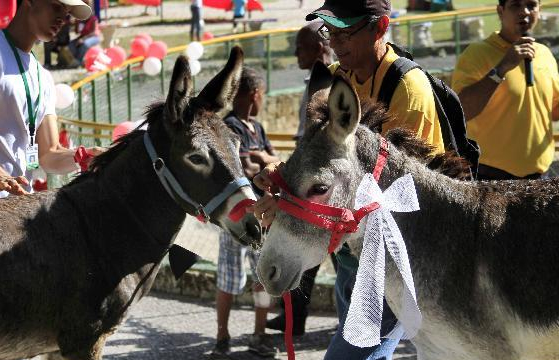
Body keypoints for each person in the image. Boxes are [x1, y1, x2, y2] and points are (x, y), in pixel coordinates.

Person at [252, 0, 447, 358]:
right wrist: (282, 184)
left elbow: (397, 193)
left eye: (347, 32)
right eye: (331, 31)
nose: (336, 43)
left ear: (380, 27)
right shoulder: (341, 76)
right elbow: (324, 158)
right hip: (350, 251)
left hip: (391, 259)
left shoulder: (408, 89)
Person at [265, 21, 336, 337]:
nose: (295, 53)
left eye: (301, 47)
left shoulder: (329, 82)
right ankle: (295, 318)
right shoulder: (317, 80)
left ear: (320, 48)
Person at [210, 67, 280, 360]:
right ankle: (222, 336)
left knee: (262, 276)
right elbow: (245, 170)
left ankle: (259, 334)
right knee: (229, 277)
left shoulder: (257, 128)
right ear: (255, 94)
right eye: (262, 95)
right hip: (236, 218)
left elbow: (273, 163)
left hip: (262, 218)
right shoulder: (229, 127)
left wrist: (264, 160)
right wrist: (264, 162)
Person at [0, 0, 102, 199]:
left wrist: (86, 156)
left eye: (67, 13)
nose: (62, 19)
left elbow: (48, 155)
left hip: (14, 214)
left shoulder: (43, 77)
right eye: (57, 7)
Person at [452, 0, 559, 181]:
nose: (524, 11)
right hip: (491, 177)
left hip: (541, 176)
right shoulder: (476, 54)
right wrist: (501, 69)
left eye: (531, 5)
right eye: (515, 5)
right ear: (500, 11)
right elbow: (461, 112)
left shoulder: (544, 54)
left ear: (539, 10)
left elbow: (554, 112)